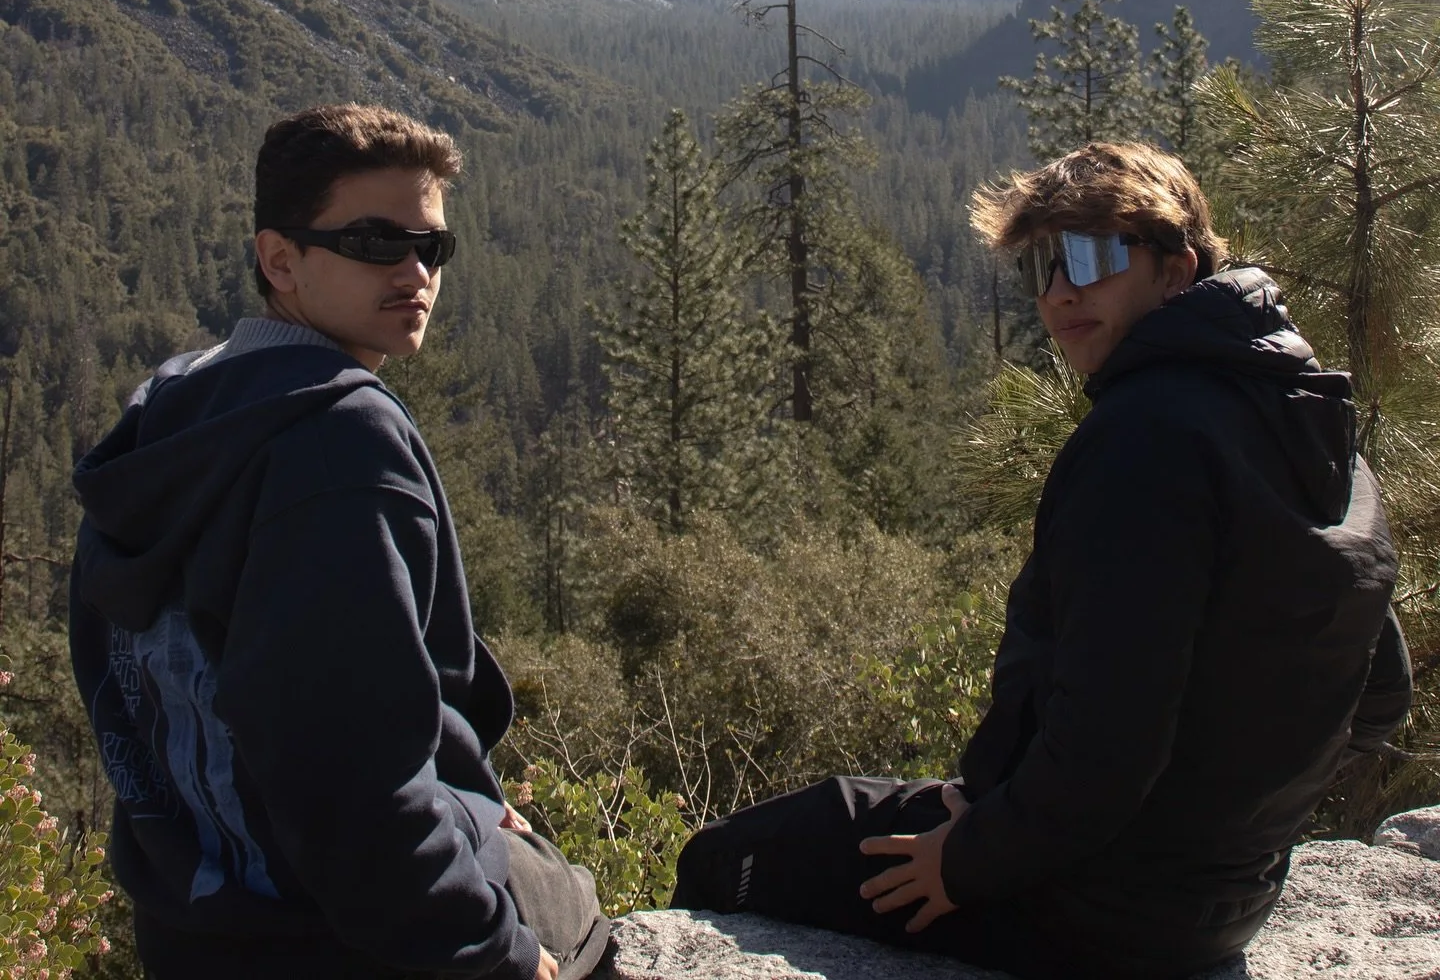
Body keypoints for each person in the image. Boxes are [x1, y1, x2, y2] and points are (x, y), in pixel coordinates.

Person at [671, 141, 1412, 980]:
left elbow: (1109, 748)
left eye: (1095, 256)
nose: (1062, 292)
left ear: (1176, 270)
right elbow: (1378, 696)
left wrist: (970, 858)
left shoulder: (1144, 439)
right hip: (1226, 904)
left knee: (727, 859)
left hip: (1086, 906)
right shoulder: (1307, 418)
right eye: (1046, 264)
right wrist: (1222, 820)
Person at [69, 103, 609, 980]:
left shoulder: (170, 411)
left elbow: (127, 692)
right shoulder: (340, 442)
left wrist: (466, 792)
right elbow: (354, 801)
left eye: (432, 248)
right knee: (575, 902)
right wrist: (496, 958)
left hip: (192, 927)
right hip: (333, 941)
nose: (413, 271)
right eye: (372, 242)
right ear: (279, 258)